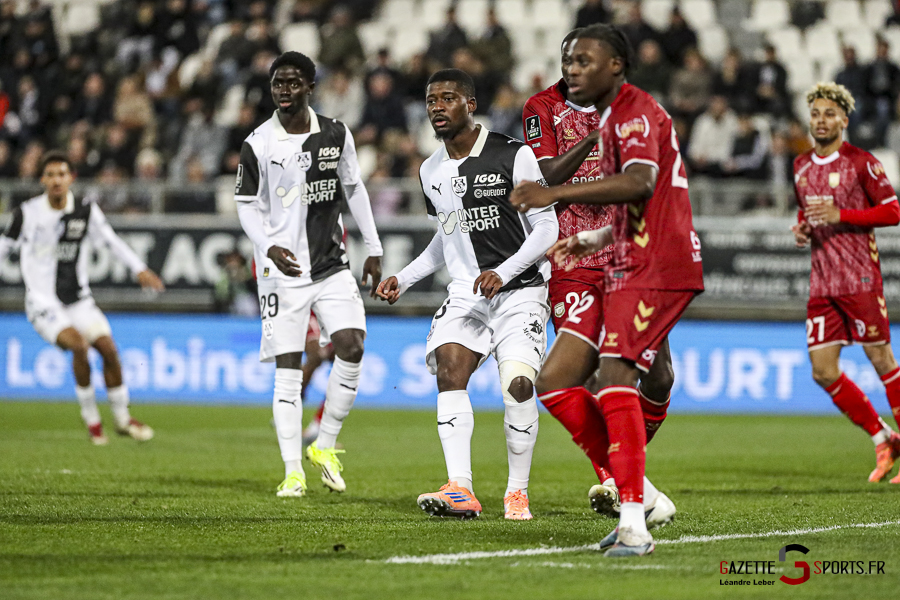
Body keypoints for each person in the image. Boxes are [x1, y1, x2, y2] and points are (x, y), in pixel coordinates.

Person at [510, 24, 704, 556]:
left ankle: (633, 522)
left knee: (616, 374)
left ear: (616, 65)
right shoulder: (607, 116)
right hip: (619, 254)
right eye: (568, 59)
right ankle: (643, 496)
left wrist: (555, 191)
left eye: (585, 60)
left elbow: (641, 183)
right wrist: (592, 236)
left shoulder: (636, 112)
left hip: (655, 261)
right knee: (554, 380)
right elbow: (640, 200)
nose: (572, 68)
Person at [376, 69, 558, 521]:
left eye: (448, 98)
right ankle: (461, 489)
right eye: (431, 99)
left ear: (470, 104)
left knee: (518, 386)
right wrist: (405, 277)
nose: (437, 106)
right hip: (467, 293)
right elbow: (446, 236)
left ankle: (517, 493)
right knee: (449, 367)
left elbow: (547, 227)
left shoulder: (513, 155)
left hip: (521, 290)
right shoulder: (429, 170)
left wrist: (505, 269)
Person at [234, 51, 383, 498]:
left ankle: (326, 445)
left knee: (352, 346)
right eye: (278, 83)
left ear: (310, 87)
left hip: (331, 263)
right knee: (289, 369)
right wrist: (269, 247)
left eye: (293, 82)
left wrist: (373, 247)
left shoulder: (336, 133)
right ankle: (292, 471)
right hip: (281, 272)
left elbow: (354, 188)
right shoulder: (258, 143)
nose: (284, 90)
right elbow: (245, 204)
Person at [0, 151, 163, 444]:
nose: (56, 180)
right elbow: (4, 247)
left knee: (109, 350)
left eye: (61, 174)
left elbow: (112, 241)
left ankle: (123, 420)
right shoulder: (27, 213)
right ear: (42, 179)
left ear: (71, 178)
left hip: (79, 300)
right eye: (50, 175)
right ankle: (92, 421)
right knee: (79, 347)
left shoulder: (86, 210)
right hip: (43, 303)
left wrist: (140, 269)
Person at [790, 82, 900, 484]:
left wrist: (844, 215)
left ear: (844, 120)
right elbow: (812, 216)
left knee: (881, 359)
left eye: (829, 114)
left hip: (859, 277)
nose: (821, 120)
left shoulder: (860, 162)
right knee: (823, 371)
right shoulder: (800, 165)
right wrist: (803, 229)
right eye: (816, 114)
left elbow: (892, 212)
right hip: (822, 282)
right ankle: (883, 436)